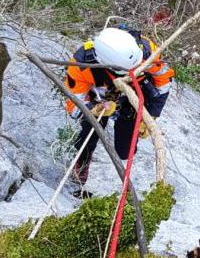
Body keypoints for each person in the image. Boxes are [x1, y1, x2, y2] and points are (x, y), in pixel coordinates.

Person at [64, 27, 174, 185]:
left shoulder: (148, 52)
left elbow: (164, 82)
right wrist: (92, 110)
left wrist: (151, 115)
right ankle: (82, 161)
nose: (136, 69)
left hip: (134, 98)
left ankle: (128, 125)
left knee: (125, 151)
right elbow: (73, 105)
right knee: (90, 132)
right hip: (101, 100)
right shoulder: (81, 65)